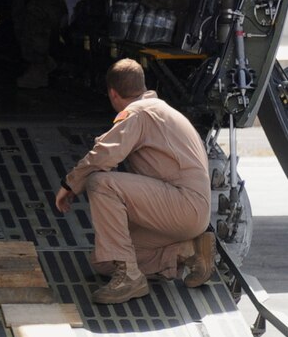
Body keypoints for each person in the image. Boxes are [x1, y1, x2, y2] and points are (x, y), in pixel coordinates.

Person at [54, 57, 215, 304]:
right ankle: (187, 252)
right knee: (104, 260)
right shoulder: (162, 110)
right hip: (190, 212)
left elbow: (104, 155)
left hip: (182, 204)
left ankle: (130, 278)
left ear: (113, 94)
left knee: (100, 183)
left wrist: (70, 185)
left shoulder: (139, 113)